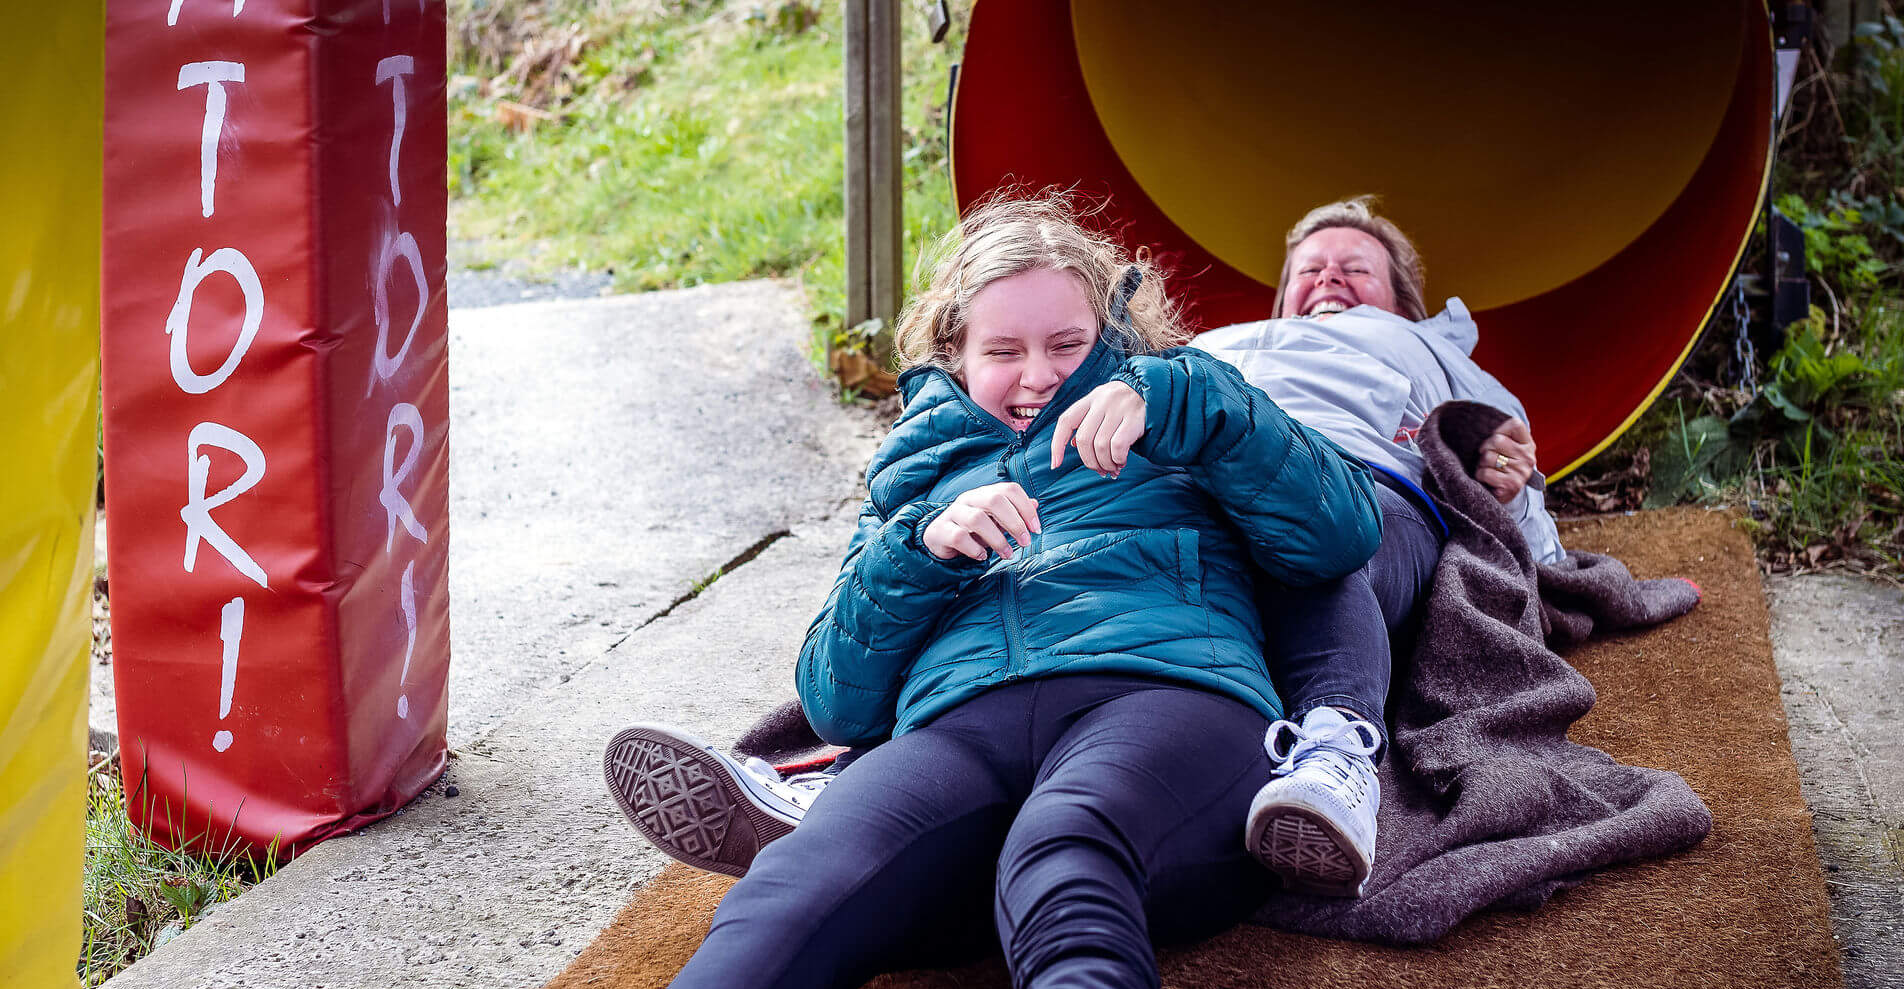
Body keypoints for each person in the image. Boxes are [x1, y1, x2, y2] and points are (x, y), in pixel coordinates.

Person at [261, 192, 1383, 989]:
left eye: (1067, 344)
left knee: (1067, 840)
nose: (1038, 373)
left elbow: (1339, 534)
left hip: (1168, 701)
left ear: (1116, 339)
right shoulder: (914, 475)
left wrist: (1183, 400)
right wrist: (919, 550)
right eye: (1004, 348)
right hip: (965, 724)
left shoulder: (1181, 421)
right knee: (803, 874)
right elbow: (837, 695)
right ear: (953, 349)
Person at [603, 197, 1562, 898]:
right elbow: (1116, 422)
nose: (1328, 279)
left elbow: (1514, 497)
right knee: (1054, 587)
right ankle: (862, 780)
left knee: (1309, 553)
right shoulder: (1220, 343)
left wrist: (1488, 484)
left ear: (1406, 300)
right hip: (1206, 449)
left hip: (1347, 471)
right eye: (1309, 265)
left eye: (1355, 269)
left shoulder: (1437, 358)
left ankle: (1331, 752)